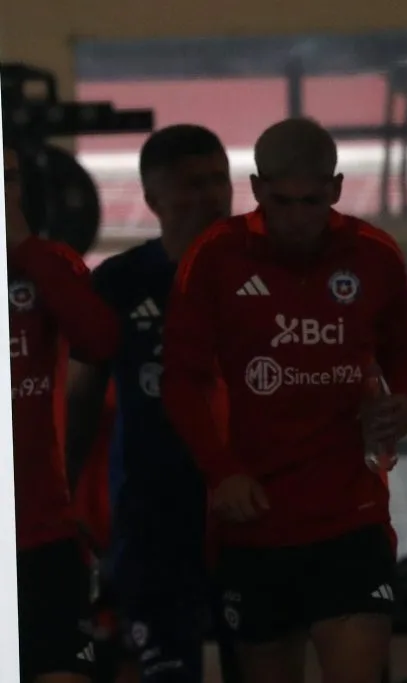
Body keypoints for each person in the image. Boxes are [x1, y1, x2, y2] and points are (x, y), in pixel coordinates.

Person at [160, 117, 407, 683]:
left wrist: (404, 400)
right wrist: (221, 471)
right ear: (256, 189)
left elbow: (405, 350)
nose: (299, 218)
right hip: (255, 518)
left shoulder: (373, 254)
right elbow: (180, 380)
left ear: (335, 188)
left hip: (351, 514)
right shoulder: (215, 256)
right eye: (283, 201)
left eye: (313, 201)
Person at [64, 124, 235, 683]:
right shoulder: (118, 283)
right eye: (192, 185)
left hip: (249, 518)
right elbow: (81, 402)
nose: (211, 196)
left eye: (218, 180)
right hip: (152, 520)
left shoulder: (261, 276)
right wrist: (61, 502)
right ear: (153, 200)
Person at [5, 140, 121, 682]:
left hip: (45, 533)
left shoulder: (47, 266)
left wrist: (25, 250)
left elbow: (100, 338)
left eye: (9, 179)